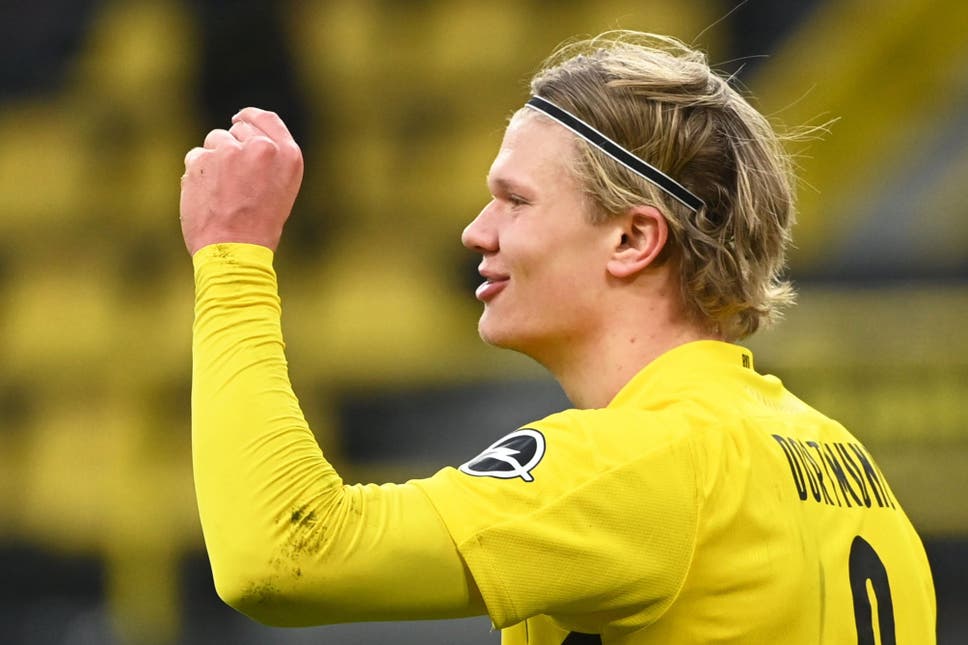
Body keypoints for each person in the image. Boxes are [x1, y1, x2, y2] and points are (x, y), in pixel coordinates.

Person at [180, 31, 936, 644]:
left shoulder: (642, 458)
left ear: (632, 239)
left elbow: (285, 554)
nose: (477, 232)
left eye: (515, 200)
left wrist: (232, 255)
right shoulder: (853, 471)